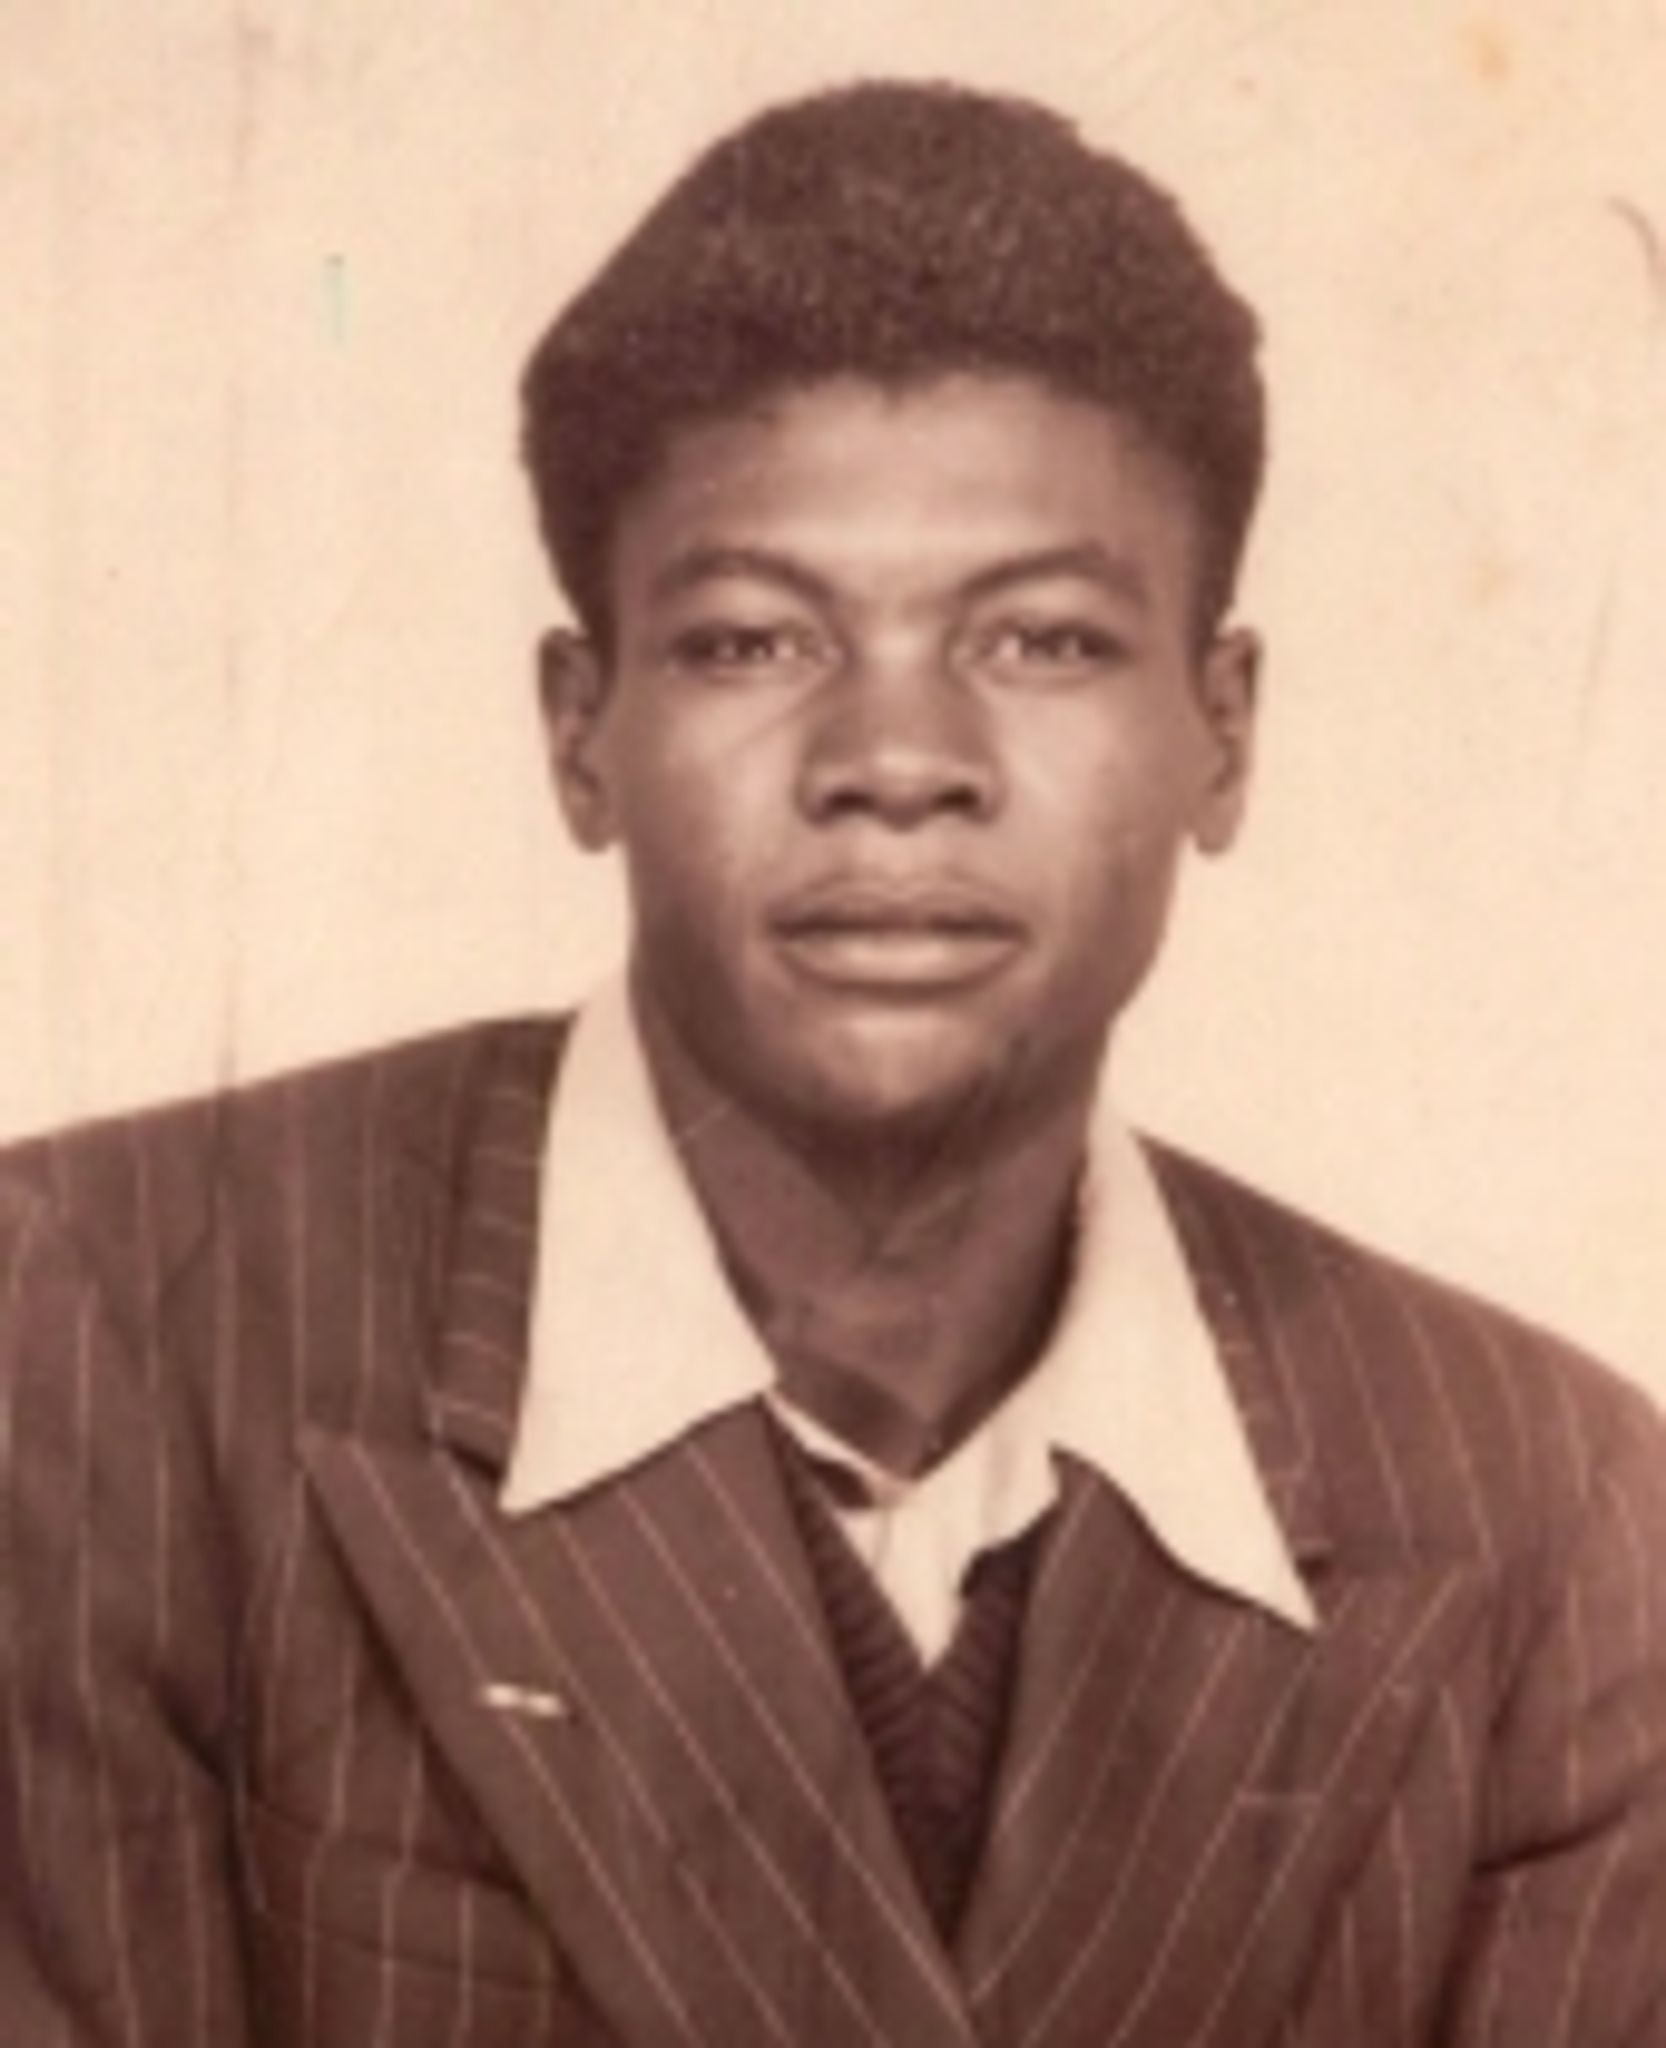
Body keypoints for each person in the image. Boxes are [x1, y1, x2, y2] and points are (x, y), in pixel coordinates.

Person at [2, 78, 1663, 2048]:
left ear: (1219, 733)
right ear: (578, 730)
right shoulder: (101, 1333)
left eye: (1042, 640)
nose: (895, 760)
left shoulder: (1539, 1504)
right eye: (751, 642)